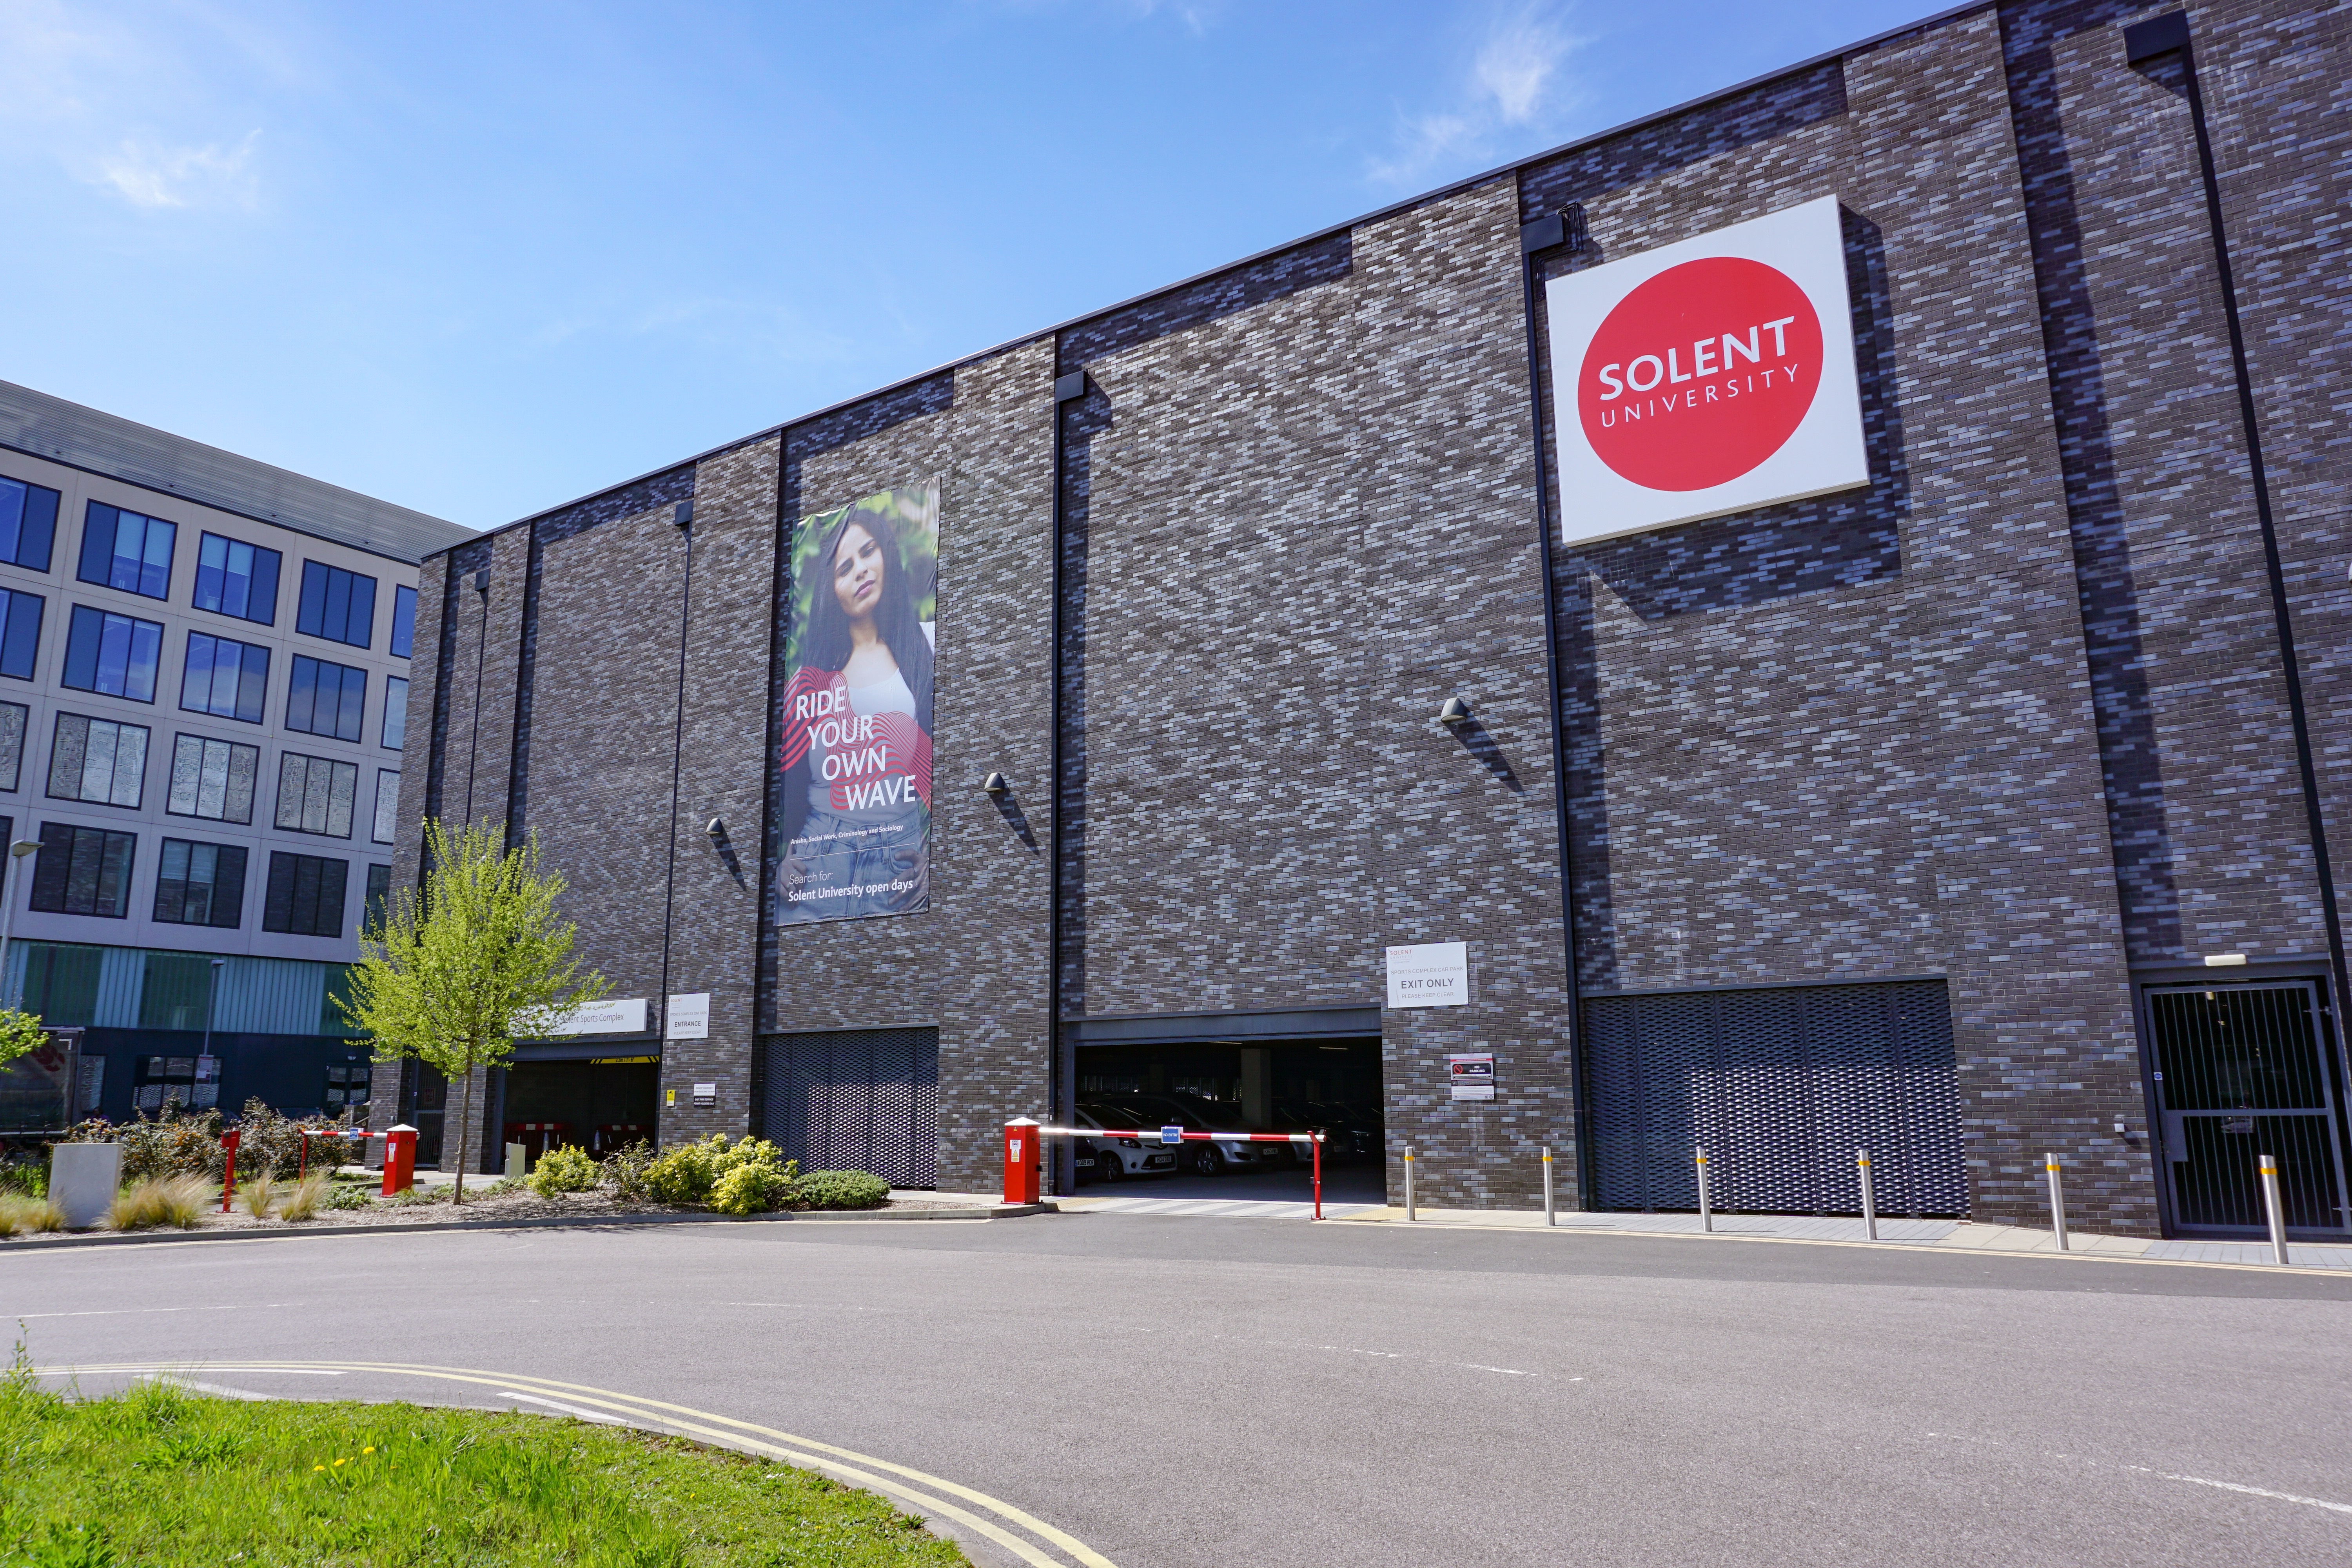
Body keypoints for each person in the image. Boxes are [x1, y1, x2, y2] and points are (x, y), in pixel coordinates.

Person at [778, 503, 935, 920]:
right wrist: (782, 862)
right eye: (845, 567)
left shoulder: (927, 647)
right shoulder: (812, 684)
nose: (861, 570)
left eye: (869, 552)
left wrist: (939, 853)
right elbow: (790, 796)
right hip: (816, 872)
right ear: (833, 590)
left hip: (897, 874)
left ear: (887, 553)